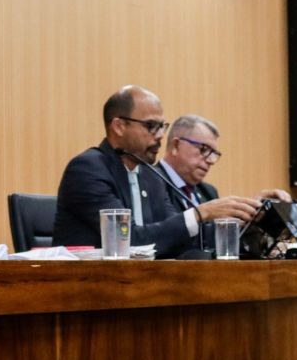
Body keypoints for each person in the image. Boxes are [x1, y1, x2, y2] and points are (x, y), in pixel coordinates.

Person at [52, 86, 260, 259]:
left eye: (162, 127)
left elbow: (174, 235)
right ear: (119, 126)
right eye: (151, 126)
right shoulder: (88, 169)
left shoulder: (150, 176)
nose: (160, 135)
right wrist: (200, 213)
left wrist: (246, 221)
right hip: (89, 287)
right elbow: (129, 242)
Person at [158, 114, 291, 211]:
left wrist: (254, 208)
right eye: (204, 149)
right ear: (176, 146)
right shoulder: (152, 183)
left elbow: (219, 236)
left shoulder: (208, 192)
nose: (211, 161)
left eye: (213, 154)